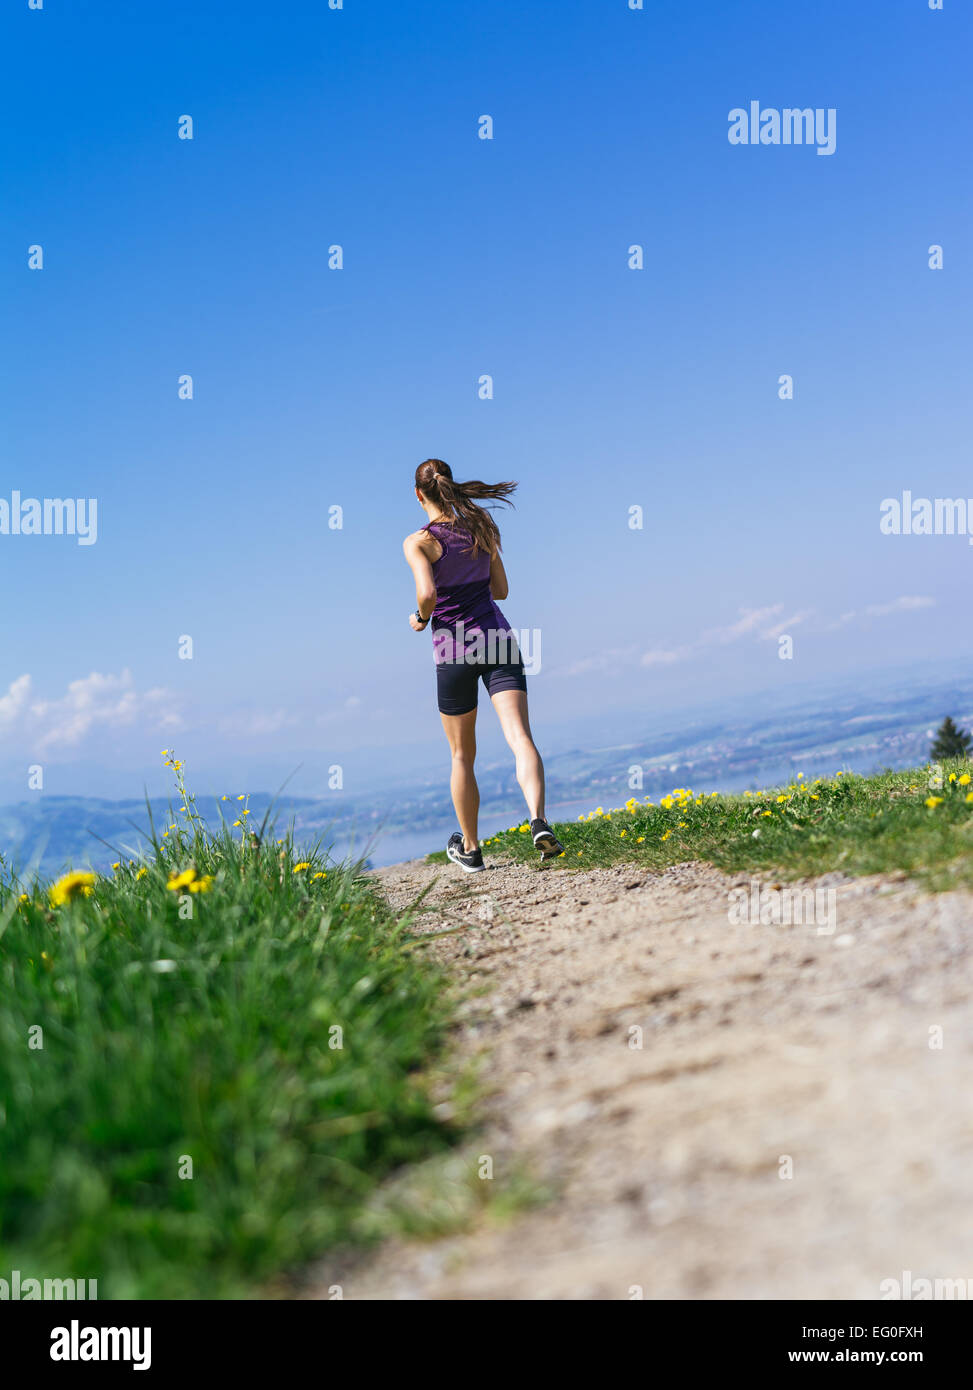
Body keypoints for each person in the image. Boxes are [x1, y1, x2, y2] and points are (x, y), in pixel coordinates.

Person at [403, 459, 564, 871]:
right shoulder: (480, 528)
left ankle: (472, 849)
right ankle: (539, 820)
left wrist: (421, 618)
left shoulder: (418, 542)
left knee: (461, 755)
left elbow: (427, 594)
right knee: (520, 736)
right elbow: (502, 590)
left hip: (454, 651)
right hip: (496, 639)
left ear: (418, 495)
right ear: (450, 486)